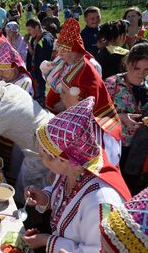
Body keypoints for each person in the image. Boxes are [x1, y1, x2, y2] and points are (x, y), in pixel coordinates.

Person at [20, 97, 130, 253]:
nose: (40, 158)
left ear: (66, 160)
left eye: (44, 155)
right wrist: (45, 198)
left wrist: (47, 240)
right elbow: (62, 196)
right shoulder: (72, 170)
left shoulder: (101, 203)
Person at [41, 18, 122, 166]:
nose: (59, 53)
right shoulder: (66, 62)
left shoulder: (90, 67)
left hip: (85, 122)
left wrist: (67, 106)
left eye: (62, 50)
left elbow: (92, 98)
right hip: (68, 113)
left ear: (73, 50)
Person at [104, 42, 148, 194]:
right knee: (114, 188)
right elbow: (96, 115)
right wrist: (121, 117)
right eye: (137, 68)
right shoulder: (111, 84)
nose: (141, 73)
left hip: (143, 147)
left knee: (133, 189)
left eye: (147, 69)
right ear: (127, 62)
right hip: (116, 147)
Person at [26, 18, 54, 104]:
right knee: (35, 89)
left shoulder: (45, 39)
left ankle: (41, 104)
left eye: (30, 29)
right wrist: (28, 43)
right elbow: (33, 53)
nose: (28, 32)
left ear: (37, 27)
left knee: (39, 90)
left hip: (40, 70)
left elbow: (43, 55)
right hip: (34, 68)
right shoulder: (34, 38)